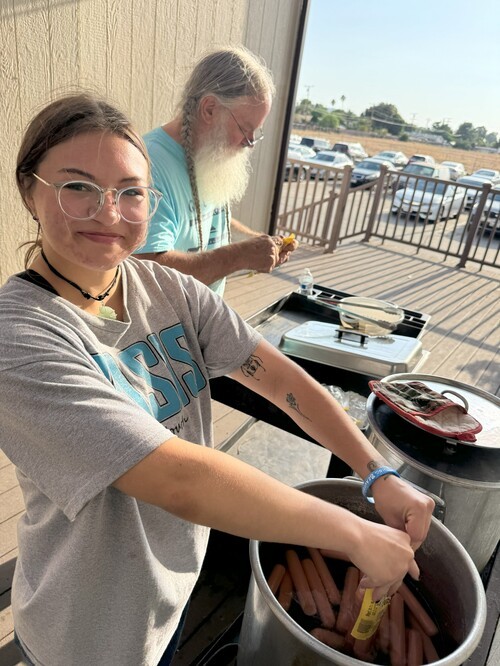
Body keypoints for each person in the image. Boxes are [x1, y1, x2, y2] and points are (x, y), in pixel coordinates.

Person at [0, 92, 434, 666]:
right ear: (29, 190)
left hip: (171, 591)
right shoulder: (19, 338)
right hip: (86, 630)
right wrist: (354, 534)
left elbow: (279, 377)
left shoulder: (167, 288)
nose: (109, 213)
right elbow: (177, 477)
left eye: (131, 192)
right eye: (78, 187)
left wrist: (375, 472)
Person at [134, 46, 299, 295]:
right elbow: (149, 271)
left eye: (256, 132)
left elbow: (203, 217)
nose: (250, 143)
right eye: (245, 129)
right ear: (210, 109)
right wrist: (238, 256)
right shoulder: (150, 165)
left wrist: (259, 244)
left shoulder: (207, 156)